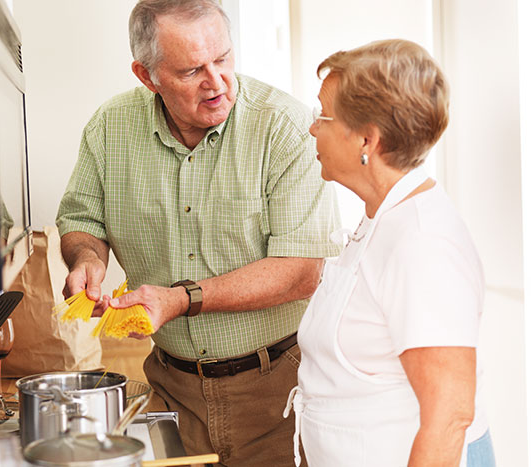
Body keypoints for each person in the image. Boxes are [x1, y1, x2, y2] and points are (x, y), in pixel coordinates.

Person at [55, 0, 340, 465]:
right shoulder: (109, 128)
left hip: (278, 393)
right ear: (147, 76)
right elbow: (82, 220)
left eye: (223, 58)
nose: (217, 82)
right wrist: (87, 260)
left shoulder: (284, 129)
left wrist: (181, 299)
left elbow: (302, 270)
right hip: (171, 394)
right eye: (191, 71)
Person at [283, 39, 495, 466]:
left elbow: (449, 416)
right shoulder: (382, 218)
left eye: (322, 116)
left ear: (367, 139)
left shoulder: (423, 243)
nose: (311, 129)